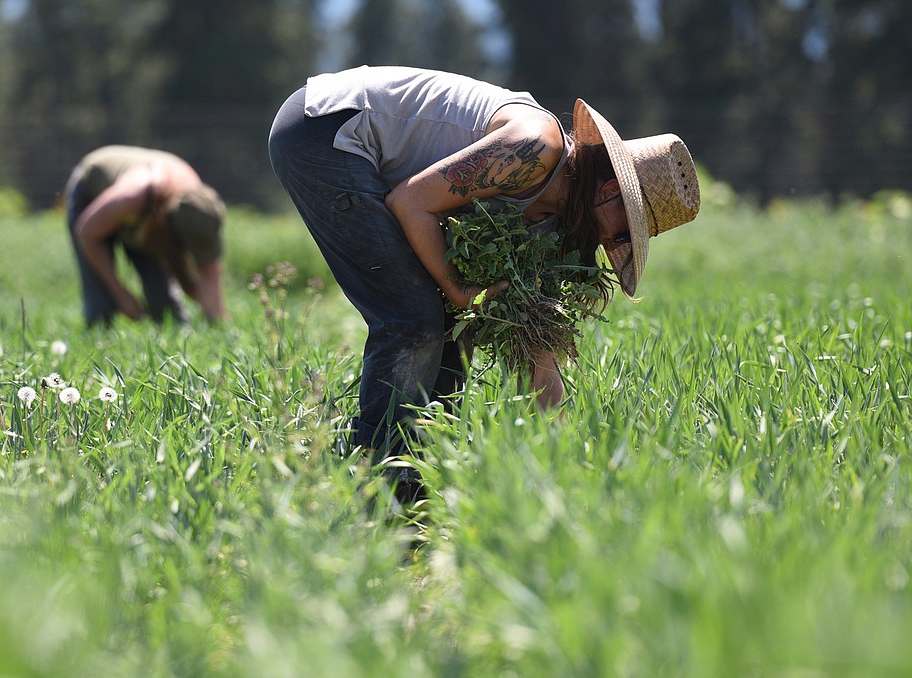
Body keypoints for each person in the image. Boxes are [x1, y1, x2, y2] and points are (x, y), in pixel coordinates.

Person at [268, 65, 700, 461]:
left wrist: (563, 457)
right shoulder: (533, 150)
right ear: (609, 191)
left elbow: (538, 352)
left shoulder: (553, 224)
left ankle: (421, 463)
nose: (612, 243)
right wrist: (457, 289)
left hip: (354, 146)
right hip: (327, 128)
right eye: (625, 231)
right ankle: (383, 474)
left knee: (456, 324)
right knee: (413, 316)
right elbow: (411, 202)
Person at [65, 146, 228, 327]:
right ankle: (100, 345)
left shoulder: (201, 209)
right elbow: (87, 232)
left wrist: (216, 318)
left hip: (143, 217)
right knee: (102, 305)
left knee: (166, 308)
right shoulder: (133, 197)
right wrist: (121, 294)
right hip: (92, 194)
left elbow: (209, 274)